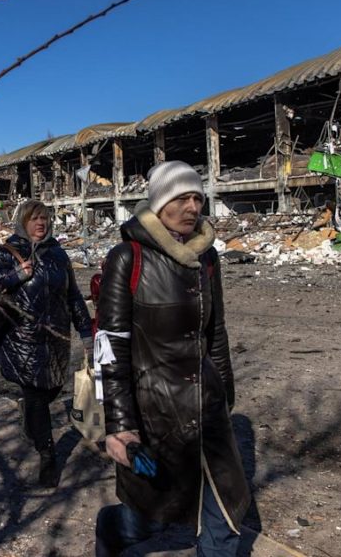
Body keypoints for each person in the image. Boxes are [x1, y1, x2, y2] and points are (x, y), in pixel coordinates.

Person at [94, 161, 251, 556]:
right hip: (156, 416)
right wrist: (120, 426)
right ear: (159, 202)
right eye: (181, 197)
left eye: (198, 197)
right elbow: (110, 345)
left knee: (224, 521)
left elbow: (215, 332)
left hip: (208, 411)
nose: (192, 206)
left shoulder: (207, 258)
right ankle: (113, 528)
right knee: (146, 520)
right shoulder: (128, 258)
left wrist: (224, 396)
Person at [0, 200, 92, 487]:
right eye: (34, 218)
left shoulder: (57, 253)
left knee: (52, 389)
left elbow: (74, 296)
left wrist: (86, 332)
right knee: (38, 396)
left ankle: (29, 416)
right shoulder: (7, 253)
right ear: (23, 221)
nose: (41, 223)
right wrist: (15, 276)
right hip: (22, 339)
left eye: (44, 218)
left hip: (56, 339)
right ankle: (48, 454)